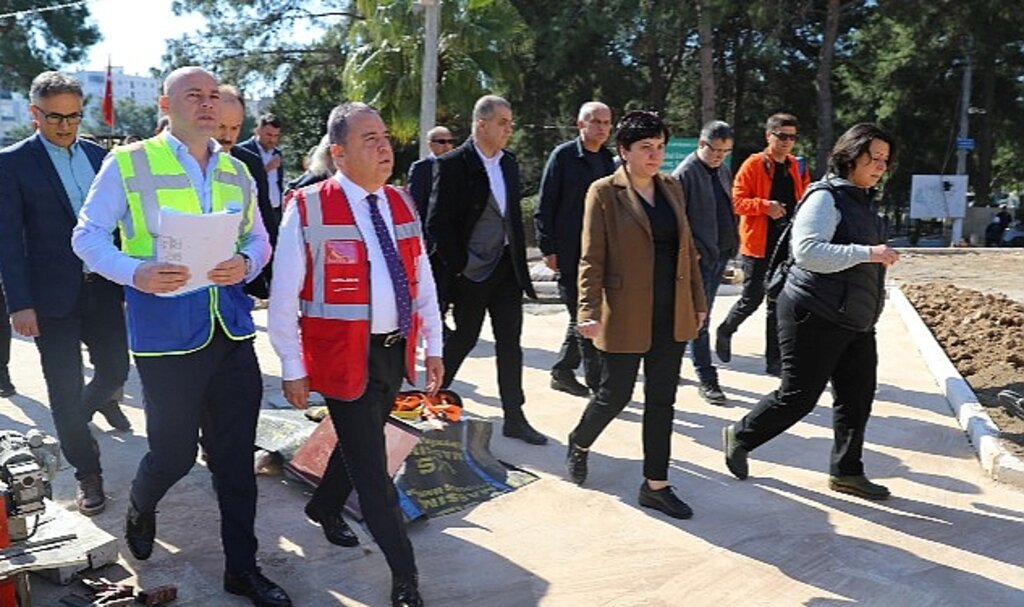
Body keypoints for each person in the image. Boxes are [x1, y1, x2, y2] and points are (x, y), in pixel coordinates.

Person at [72, 66, 291, 607]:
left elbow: (260, 238)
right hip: (166, 337)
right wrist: (135, 272)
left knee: (235, 461)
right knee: (172, 456)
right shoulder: (129, 162)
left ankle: (242, 570)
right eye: (194, 95)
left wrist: (246, 262)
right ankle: (142, 504)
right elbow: (87, 236)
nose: (207, 103)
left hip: (231, 330)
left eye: (214, 95)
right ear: (166, 106)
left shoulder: (237, 169)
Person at [268, 102, 441, 607]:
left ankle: (324, 506)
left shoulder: (401, 201)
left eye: (385, 137)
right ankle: (405, 576)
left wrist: (434, 344)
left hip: (393, 352)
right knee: (373, 473)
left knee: (360, 440)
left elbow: (423, 279)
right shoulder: (308, 207)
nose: (385, 147)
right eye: (370, 139)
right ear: (339, 153)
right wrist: (292, 365)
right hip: (342, 357)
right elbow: (283, 295)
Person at [722, 123, 899, 501]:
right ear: (851, 156)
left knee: (857, 397)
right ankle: (740, 435)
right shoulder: (825, 197)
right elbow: (808, 252)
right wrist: (868, 253)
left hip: (855, 318)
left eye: (886, 160)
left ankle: (847, 472)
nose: (881, 166)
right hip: (814, 312)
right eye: (874, 158)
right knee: (798, 396)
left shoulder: (863, 199)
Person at [0, 71, 131, 516]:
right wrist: (19, 304)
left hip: (103, 288)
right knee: (63, 389)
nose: (65, 126)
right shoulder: (12, 163)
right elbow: (8, 240)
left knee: (115, 371)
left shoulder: (100, 157)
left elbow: (120, 224)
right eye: (55, 117)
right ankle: (87, 473)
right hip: (49, 299)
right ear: (35, 114)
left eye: (73, 116)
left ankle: (81, 415)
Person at [566, 110, 707, 520]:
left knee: (662, 400)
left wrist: (698, 302)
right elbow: (591, 258)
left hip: (671, 313)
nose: (655, 155)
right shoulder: (603, 192)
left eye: (660, 147)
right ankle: (580, 441)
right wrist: (588, 310)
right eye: (646, 147)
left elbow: (687, 251)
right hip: (625, 312)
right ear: (624, 150)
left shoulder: (672, 187)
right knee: (615, 394)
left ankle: (655, 485)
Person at [427, 95, 547, 445]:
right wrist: (461, 266)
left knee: (510, 343)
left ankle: (514, 417)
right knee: (464, 337)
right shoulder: (452, 164)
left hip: (508, 269)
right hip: (472, 272)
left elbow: (511, 217)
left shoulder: (509, 163)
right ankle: (430, 401)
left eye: (510, 122)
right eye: (503, 123)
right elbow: (437, 223)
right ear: (482, 124)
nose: (509, 129)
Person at [715, 113, 809, 376]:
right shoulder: (754, 164)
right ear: (769, 136)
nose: (787, 141)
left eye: (792, 137)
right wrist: (765, 206)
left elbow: (805, 198)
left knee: (777, 303)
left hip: (786, 245)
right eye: (782, 136)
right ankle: (726, 329)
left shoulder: (797, 166)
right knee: (752, 298)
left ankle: (774, 361)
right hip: (758, 245)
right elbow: (736, 202)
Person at [535, 101, 615, 398]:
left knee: (586, 316)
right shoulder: (563, 156)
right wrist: (548, 248)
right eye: (595, 122)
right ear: (580, 124)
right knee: (584, 317)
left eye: (606, 122)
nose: (602, 128)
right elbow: (545, 204)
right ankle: (597, 384)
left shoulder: (608, 160)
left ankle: (562, 371)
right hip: (569, 253)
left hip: (599, 254)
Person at [671, 120, 738, 405]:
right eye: (715, 150)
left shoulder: (722, 170)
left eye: (725, 151)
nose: (719, 156)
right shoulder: (685, 173)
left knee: (695, 316)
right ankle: (707, 378)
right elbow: (676, 218)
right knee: (700, 318)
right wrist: (692, 250)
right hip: (700, 258)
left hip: (720, 253)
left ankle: (670, 366)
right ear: (701, 143)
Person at [216, 85, 277, 298]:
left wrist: (273, 276)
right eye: (221, 127)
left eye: (235, 128)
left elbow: (265, 219)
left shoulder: (249, 163)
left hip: (240, 276)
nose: (227, 136)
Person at [240, 113, 285, 226]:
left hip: (276, 211)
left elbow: (278, 183)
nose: (272, 139)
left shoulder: (277, 153)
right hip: (255, 212)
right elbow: (244, 180)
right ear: (258, 130)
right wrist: (268, 168)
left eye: (276, 135)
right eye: (268, 135)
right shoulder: (243, 151)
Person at [407, 125, 455, 220]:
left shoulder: (459, 165)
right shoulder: (421, 168)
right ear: (430, 144)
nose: (447, 146)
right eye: (442, 142)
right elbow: (416, 201)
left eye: (450, 142)